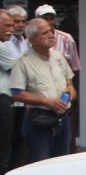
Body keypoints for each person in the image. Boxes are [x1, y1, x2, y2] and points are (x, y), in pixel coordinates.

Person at [9, 18, 76, 163]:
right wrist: (46, 101)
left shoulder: (58, 56)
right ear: (33, 40)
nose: (51, 35)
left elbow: (69, 81)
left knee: (62, 162)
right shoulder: (23, 61)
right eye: (45, 33)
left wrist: (71, 89)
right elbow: (16, 93)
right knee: (41, 163)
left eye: (51, 31)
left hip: (63, 118)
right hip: (40, 119)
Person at [35, 4, 81, 153]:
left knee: (66, 137)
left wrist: (71, 94)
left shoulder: (66, 39)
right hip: (41, 99)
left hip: (64, 94)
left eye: (51, 18)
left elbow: (74, 68)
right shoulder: (31, 40)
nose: (49, 21)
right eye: (44, 18)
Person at [5, 6, 28, 168]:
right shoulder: (4, 43)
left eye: (23, 21)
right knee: (7, 141)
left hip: (25, 101)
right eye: (16, 21)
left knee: (21, 140)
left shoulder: (26, 42)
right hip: (9, 100)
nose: (20, 25)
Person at [0, 10, 18, 175]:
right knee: (4, 150)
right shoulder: (2, 47)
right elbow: (18, 68)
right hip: (2, 101)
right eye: (7, 26)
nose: (11, 30)